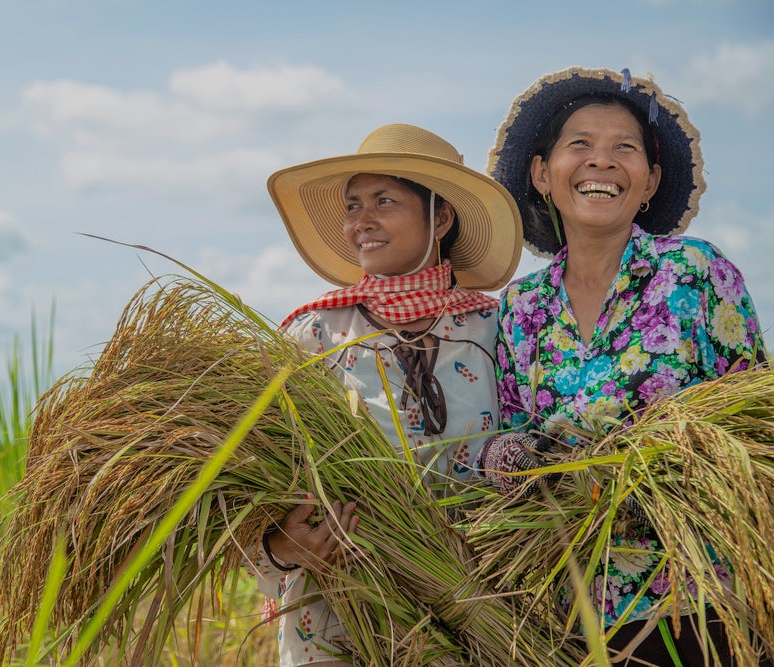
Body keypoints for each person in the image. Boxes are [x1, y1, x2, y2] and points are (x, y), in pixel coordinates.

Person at [482, 66, 769, 664]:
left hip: (697, 599)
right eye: (579, 145)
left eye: (625, 149)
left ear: (649, 180)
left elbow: (754, 429)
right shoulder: (520, 306)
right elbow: (512, 434)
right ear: (542, 174)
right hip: (568, 610)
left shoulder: (694, 273)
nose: (601, 162)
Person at [243, 123, 523, 666]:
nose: (360, 221)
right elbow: (248, 484)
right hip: (337, 619)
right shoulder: (312, 338)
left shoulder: (499, 330)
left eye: (384, 201)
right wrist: (280, 549)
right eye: (353, 205)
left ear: (440, 217)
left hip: (473, 616)